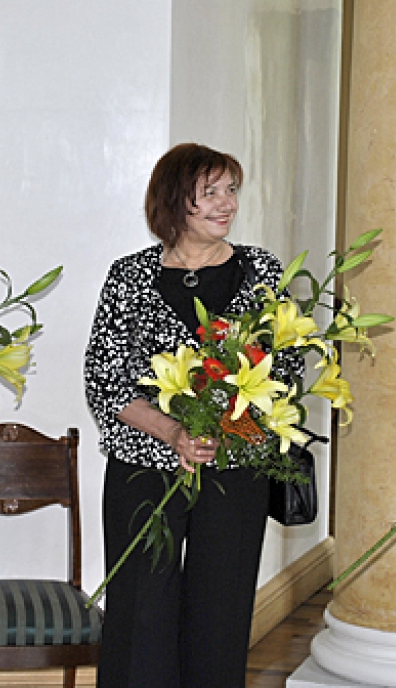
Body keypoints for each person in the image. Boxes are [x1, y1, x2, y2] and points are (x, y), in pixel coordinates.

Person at [84, 143, 300, 687]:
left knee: (220, 612)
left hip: (234, 468)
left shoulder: (261, 271)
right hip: (143, 465)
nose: (227, 204)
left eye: (231, 191)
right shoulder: (128, 277)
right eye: (211, 193)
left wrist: (222, 430)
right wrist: (174, 431)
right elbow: (106, 381)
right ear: (175, 202)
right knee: (140, 610)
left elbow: (286, 369)